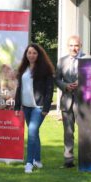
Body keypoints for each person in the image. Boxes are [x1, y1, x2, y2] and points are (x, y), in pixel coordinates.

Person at [14, 44, 54, 173]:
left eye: (34, 53)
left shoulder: (45, 69)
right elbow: (19, 88)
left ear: (39, 55)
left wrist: (46, 108)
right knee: (34, 134)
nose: (31, 55)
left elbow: (49, 90)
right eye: (29, 52)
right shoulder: (23, 69)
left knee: (31, 132)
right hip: (26, 106)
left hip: (39, 107)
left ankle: (29, 163)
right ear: (26, 54)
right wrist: (17, 105)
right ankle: (37, 160)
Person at [55, 35, 86, 168]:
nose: (74, 48)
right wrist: (65, 86)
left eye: (76, 45)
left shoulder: (87, 60)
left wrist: (82, 82)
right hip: (67, 100)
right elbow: (56, 79)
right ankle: (68, 161)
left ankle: (86, 160)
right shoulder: (62, 61)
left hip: (83, 101)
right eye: (71, 45)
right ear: (68, 47)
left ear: (80, 46)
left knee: (85, 132)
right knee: (68, 132)